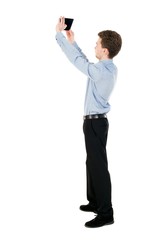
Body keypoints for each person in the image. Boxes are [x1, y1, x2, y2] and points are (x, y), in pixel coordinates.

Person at [55, 16, 122, 228]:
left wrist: (59, 36)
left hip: (95, 124)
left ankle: (106, 213)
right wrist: (73, 41)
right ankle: (94, 202)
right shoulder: (107, 68)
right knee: (92, 163)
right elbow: (85, 61)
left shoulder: (101, 71)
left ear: (105, 51)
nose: (95, 45)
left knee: (99, 167)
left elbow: (78, 62)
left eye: (97, 44)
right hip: (95, 123)